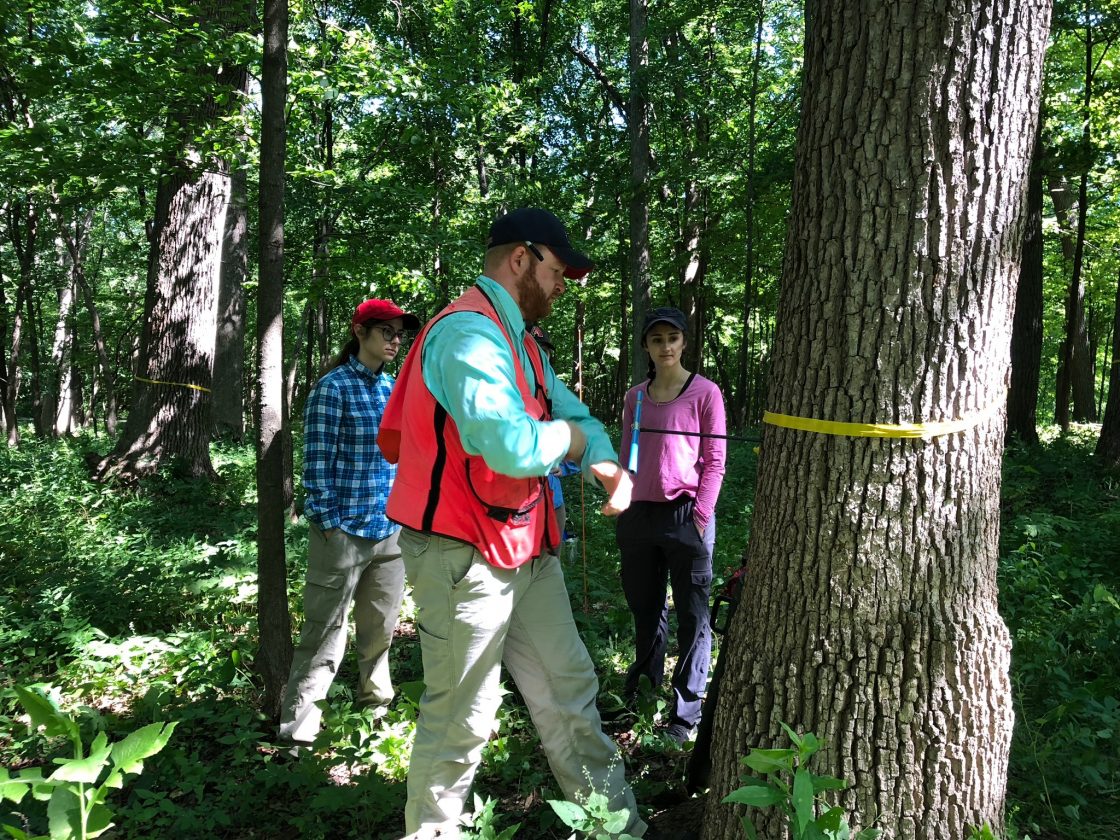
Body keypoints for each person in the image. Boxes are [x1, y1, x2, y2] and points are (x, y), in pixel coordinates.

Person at [378, 207, 646, 839]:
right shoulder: (466, 336)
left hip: (526, 548)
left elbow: (576, 414)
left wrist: (602, 457)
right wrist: (579, 449)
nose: (564, 286)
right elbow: (510, 445)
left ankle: (616, 830)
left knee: (569, 688)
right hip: (461, 557)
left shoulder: (520, 341)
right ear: (522, 258)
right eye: (559, 270)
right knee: (462, 716)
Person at [277, 298, 420, 751]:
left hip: (389, 534)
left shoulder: (392, 389)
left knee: (379, 632)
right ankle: (298, 732)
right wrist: (332, 526)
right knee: (322, 634)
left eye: (400, 334)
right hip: (341, 536)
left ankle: (375, 718)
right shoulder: (332, 388)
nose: (395, 340)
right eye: (386, 332)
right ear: (360, 332)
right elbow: (316, 467)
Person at [615, 306, 727, 746]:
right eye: (656, 338)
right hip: (639, 516)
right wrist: (622, 499)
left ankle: (684, 715)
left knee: (693, 617)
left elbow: (716, 459)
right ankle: (642, 698)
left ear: (684, 342)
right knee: (646, 612)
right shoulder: (635, 398)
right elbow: (628, 455)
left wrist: (700, 516)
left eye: (672, 338)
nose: (665, 346)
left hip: (687, 515)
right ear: (646, 345)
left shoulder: (705, 393)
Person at [528, 323, 581, 542]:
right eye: (532, 350)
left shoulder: (558, 397)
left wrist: (566, 465)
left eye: (545, 353)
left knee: (551, 561)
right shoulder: (506, 392)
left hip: (553, 498)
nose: (539, 358)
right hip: (515, 502)